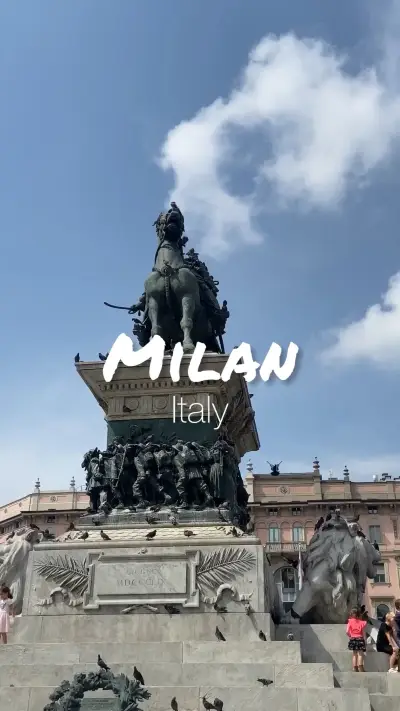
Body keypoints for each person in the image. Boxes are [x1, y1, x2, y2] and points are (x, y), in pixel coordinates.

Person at [346, 607, 367, 671]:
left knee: (354, 654)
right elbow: (363, 632)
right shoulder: (362, 623)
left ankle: (355, 667)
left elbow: (347, 631)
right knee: (360, 653)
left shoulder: (350, 622)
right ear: (358, 614)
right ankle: (360, 666)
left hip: (353, 639)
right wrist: (365, 640)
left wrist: (350, 636)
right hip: (360, 638)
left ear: (351, 614)